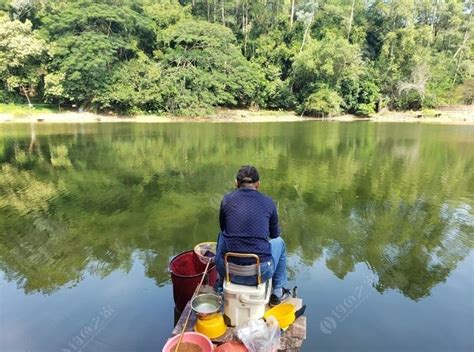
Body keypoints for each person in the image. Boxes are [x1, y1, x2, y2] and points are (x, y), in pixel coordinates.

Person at [214, 165, 289, 306]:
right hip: (260, 273)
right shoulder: (269, 202)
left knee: (222, 235)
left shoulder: (226, 200)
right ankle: (277, 292)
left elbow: (223, 228)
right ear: (258, 184)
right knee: (280, 243)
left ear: (236, 183)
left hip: (229, 271)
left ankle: (219, 286)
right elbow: (274, 235)